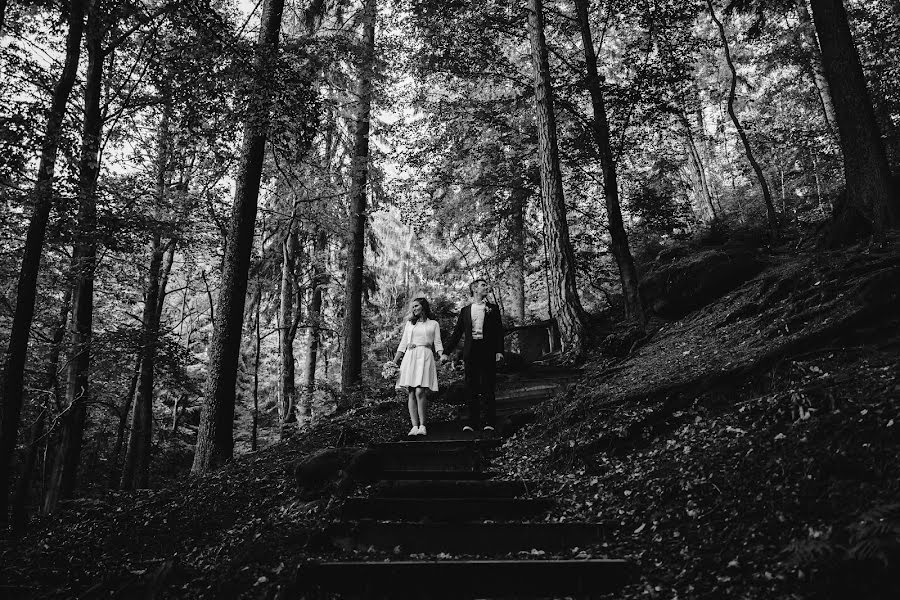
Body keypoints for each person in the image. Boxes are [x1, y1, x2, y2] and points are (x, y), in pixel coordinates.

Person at [440, 279, 504, 436]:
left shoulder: (493, 309)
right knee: (471, 386)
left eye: (486, 285)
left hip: (487, 349)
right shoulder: (465, 311)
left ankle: (489, 421)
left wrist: (499, 351)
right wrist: (446, 352)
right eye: (483, 285)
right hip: (471, 351)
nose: (486, 287)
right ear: (474, 289)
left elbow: (498, 332)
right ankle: (472, 421)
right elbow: (457, 334)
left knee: (488, 385)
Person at [394, 297, 443, 437]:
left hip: (425, 356)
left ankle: (423, 425)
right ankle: (414, 426)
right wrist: (394, 362)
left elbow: (438, 343)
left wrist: (442, 355)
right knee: (411, 392)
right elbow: (403, 344)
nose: (413, 309)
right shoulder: (410, 324)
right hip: (410, 357)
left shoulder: (433, 324)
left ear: (423, 307)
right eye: (412, 307)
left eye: (416, 306)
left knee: (420, 391)